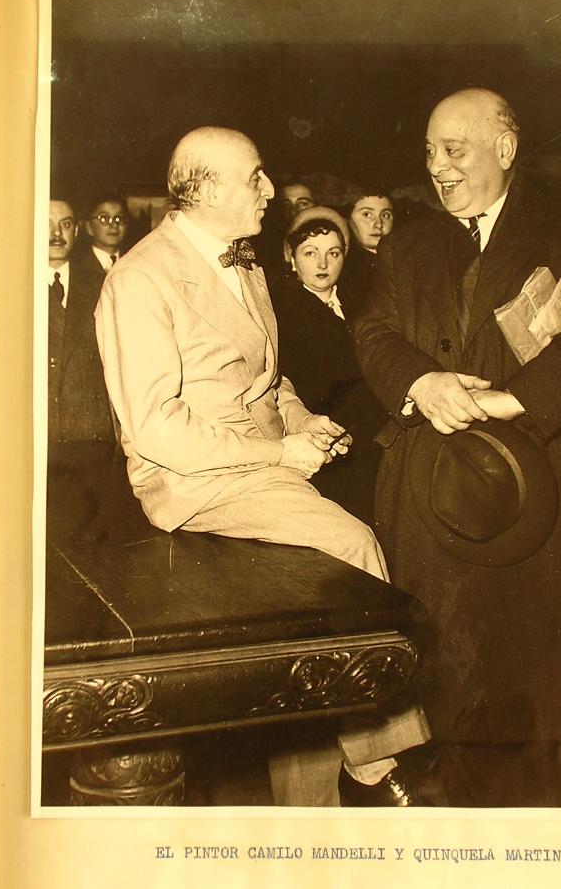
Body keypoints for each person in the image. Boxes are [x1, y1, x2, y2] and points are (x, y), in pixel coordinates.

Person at [94, 127, 430, 806]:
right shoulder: (139, 279)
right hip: (192, 479)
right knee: (351, 544)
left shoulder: (245, 265)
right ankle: (375, 765)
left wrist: (301, 421)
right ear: (206, 188)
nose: (270, 191)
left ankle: (309, 810)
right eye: (255, 177)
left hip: (260, 461)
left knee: (320, 607)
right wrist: (279, 452)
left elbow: (268, 380)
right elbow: (156, 429)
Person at [354, 88, 561, 806]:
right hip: (435, 497)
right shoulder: (407, 243)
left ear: (505, 149)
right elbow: (375, 332)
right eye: (429, 152)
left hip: (545, 492)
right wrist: (423, 381)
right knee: (450, 685)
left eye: (454, 150)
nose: (437, 167)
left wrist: (516, 399)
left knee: (547, 702)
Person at [271, 206, 386, 525]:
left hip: (371, 436)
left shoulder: (362, 303)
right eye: (310, 253)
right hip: (327, 442)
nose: (323, 264)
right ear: (291, 258)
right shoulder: (282, 314)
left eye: (333, 253)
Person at [47, 197, 114, 444]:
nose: (56, 234)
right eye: (47, 225)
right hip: (42, 428)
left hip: (89, 430)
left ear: (76, 231)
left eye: (65, 225)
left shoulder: (100, 284)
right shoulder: (11, 284)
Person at [338, 187, 394, 321]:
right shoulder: (347, 271)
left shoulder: (404, 260)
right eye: (367, 215)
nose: (378, 224)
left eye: (385, 215)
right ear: (347, 220)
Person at [80, 192, 129, 273]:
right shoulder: (78, 265)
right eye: (104, 218)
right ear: (89, 227)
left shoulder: (132, 261)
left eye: (119, 218)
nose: (114, 225)